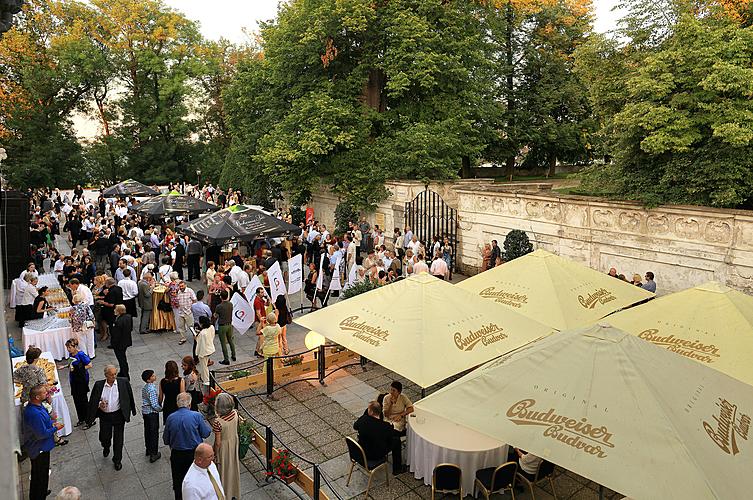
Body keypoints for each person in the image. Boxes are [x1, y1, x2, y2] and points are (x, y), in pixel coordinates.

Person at [86, 365, 137, 470]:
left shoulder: (123, 382)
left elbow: (130, 395)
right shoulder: (99, 385)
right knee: (104, 436)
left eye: (115, 374)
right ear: (106, 375)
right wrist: (99, 405)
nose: (114, 376)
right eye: (112, 374)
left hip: (119, 415)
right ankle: (106, 446)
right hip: (105, 416)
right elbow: (93, 401)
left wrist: (132, 409)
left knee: (119, 440)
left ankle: (117, 460)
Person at [164, 393, 212, 500]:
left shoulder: (170, 418)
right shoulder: (196, 416)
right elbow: (206, 433)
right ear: (189, 405)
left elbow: (166, 440)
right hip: (194, 454)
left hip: (177, 454)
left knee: (178, 483)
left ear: (177, 404)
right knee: (196, 481)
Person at [24, 384, 63, 500]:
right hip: (38, 449)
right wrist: (56, 428)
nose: (46, 393)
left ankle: (39, 492)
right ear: (36, 397)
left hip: (41, 447)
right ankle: (39, 496)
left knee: (40, 473)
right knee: (40, 475)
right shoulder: (34, 413)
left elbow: (43, 423)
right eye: (44, 393)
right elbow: (41, 434)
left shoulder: (37, 406)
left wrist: (51, 422)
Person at [353, 401, 396, 472]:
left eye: (368, 409)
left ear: (371, 412)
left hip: (360, 452)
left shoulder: (363, 419)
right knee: (396, 440)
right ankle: (397, 469)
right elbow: (390, 439)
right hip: (375, 456)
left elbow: (355, 426)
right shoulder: (385, 426)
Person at [212, 393, 241, 500]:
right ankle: (234, 491)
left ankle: (224, 495)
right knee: (233, 467)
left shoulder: (218, 422)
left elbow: (218, 442)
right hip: (233, 443)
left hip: (224, 447)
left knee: (223, 471)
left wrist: (215, 453)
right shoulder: (235, 413)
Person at [382, 381, 413, 473]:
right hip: (388, 422)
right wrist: (391, 404)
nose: (391, 392)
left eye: (394, 390)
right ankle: (397, 468)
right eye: (391, 389)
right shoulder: (386, 398)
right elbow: (386, 414)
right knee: (395, 439)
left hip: (399, 423)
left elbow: (411, 408)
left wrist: (402, 415)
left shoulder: (403, 398)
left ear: (399, 392)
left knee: (394, 438)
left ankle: (397, 468)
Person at [65, 338, 91, 427]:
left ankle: (89, 420)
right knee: (76, 400)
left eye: (70, 347)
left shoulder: (81, 354)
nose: (68, 349)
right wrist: (66, 366)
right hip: (74, 380)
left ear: (75, 346)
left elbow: (89, 365)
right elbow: (70, 363)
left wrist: (78, 369)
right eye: (67, 347)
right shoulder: (70, 354)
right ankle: (81, 418)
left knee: (83, 400)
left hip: (81, 380)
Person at [141, 369, 162, 463]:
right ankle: (154, 453)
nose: (155, 376)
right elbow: (154, 404)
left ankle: (148, 449)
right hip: (152, 413)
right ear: (149, 379)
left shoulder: (145, 387)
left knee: (147, 431)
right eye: (152, 376)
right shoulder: (152, 389)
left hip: (145, 412)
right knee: (153, 433)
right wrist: (160, 409)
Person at [160, 360, 185, 427]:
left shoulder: (162, 381)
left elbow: (161, 397)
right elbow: (182, 396)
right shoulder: (180, 380)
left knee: (169, 425)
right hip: (177, 406)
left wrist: (159, 405)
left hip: (167, 405)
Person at [213, 290, 235, 365]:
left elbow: (216, 315)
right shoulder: (231, 304)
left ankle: (226, 359)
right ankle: (233, 355)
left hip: (222, 326)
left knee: (223, 343)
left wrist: (215, 315)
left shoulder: (219, 306)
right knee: (230, 340)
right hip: (229, 325)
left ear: (220, 297)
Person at [111, 304, 133, 379]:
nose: (114, 311)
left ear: (119, 311)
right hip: (126, 341)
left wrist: (113, 343)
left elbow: (116, 335)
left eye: (115, 310)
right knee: (123, 358)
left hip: (119, 344)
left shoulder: (118, 321)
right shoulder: (129, 317)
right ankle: (123, 371)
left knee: (122, 360)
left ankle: (125, 374)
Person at [195, 316, 216, 389]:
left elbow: (200, 343)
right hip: (210, 348)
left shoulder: (202, 333)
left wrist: (196, 337)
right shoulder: (211, 327)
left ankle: (206, 380)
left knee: (204, 367)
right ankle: (204, 378)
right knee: (205, 365)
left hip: (204, 352)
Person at [174, 281, 196, 346]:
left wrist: (192, 308)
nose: (181, 287)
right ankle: (183, 338)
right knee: (181, 326)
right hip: (181, 312)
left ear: (185, 285)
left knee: (191, 326)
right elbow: (178, 300)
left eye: (182, 286)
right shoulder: (179, 292)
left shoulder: (190, 291)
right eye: (180, 286)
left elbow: (194, 300)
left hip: (188, 312)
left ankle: (195, 336)